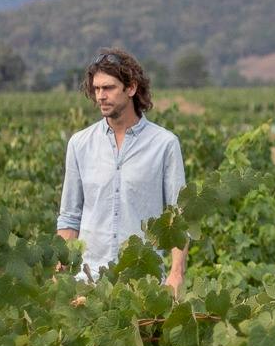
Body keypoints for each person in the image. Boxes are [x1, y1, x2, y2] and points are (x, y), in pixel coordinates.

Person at [56, 48, 187, 293]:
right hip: (88, 282)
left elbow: (178, 217)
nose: (100, 96)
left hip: (143, 284)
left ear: (131, 88)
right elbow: (69, 216)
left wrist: (176, 273)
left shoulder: (164, 145)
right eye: (96, 89)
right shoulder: (79, 144)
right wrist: (61, 268)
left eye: (108, 88)